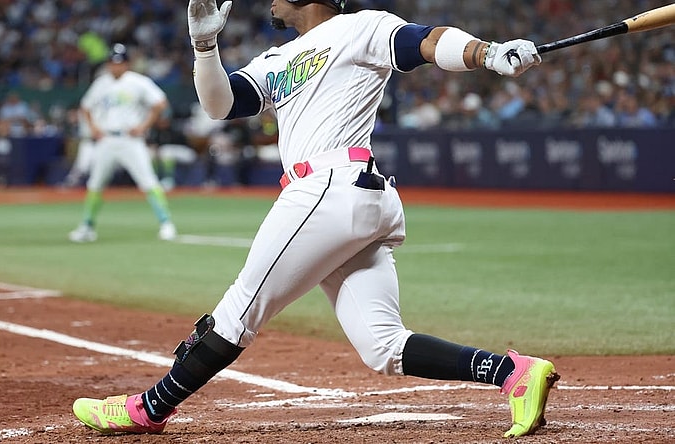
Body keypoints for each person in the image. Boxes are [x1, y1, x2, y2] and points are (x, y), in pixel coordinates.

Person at [72, 0, 558, 439]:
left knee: (240, 311)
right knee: (383, 346)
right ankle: (513, 373)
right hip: (351, 197)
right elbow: (219, 104)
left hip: (327, 187)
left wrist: (487, 53)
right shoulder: (278, 59)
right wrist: (204, 47)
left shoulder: (360, 27)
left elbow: (427, 41)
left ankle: (149, 409)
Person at [68, 43, 177, 242]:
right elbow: (85, 107)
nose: (115, 66)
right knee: (95, 184)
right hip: (107, 139)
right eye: (112, 62)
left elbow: (160, 103)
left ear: (127, 63)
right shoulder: (101, 83)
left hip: (130, 140)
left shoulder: (138, 81)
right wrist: (93, 127)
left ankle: (166, 224)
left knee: (148, 181)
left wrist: (144, 126)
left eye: (119, 62)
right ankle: (87, 227)